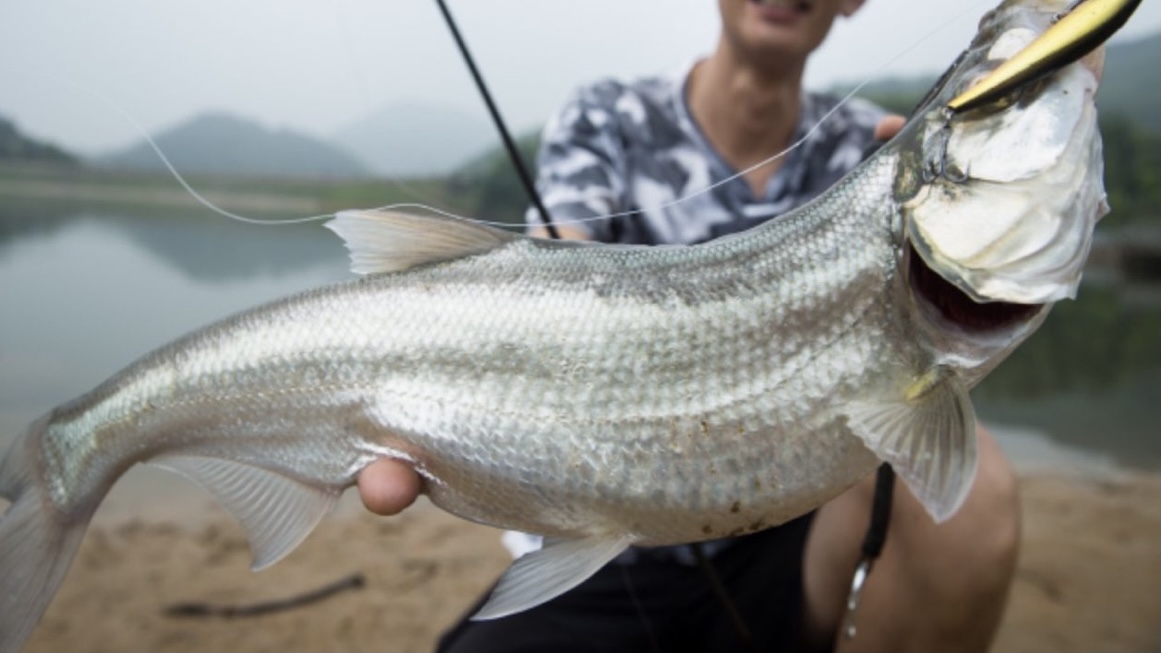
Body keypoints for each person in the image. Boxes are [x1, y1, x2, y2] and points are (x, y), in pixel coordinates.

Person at [360, 0, 1020, 650]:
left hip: (795, 538)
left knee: (973, 496)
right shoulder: (606, 118)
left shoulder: (873, 155)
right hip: (607, 547)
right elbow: (555, 280)